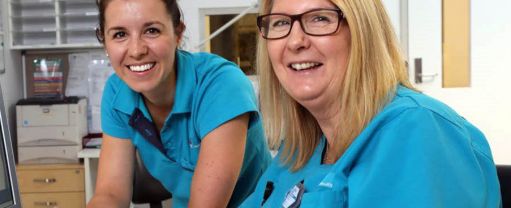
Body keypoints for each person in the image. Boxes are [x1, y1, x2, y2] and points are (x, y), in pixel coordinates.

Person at [240, 0, 501, 207]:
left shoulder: (416, 130)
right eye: (281, 23)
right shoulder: (300, 147)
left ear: (363, 32)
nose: (295, 41)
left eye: (320, 18)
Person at [86, 0, 270, 207]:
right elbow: (110, 193)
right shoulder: (117, 92)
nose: (136, 50)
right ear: (104, 41)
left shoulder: (221, 83)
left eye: (152, 31)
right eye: (120, 34)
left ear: (178, 33)